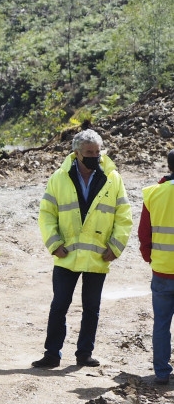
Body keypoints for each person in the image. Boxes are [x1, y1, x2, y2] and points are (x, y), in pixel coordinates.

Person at [32, 129, 131, 369]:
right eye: (89, 153)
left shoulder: (112, 178)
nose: (95, 156)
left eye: (97, 152)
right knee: (59, 306)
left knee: (91, 309)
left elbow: (124, 215)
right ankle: (52, 354)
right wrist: (54, 244)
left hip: (98, 256)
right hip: (67, 256)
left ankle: (84, 353)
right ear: (76, 153)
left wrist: (115, 247)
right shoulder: (59, 177)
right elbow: (46, 214)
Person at [138, 149, 174, 385]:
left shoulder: (153, 193)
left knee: (161, 323)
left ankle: (161, 372)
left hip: (162, 271)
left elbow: (144, 234)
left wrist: (150, 258)